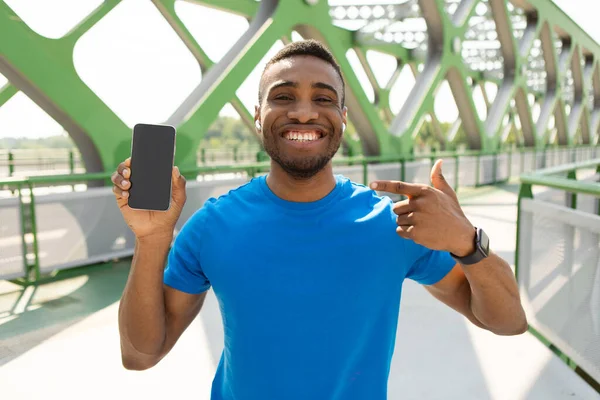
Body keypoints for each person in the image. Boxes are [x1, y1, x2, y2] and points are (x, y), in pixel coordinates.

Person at [113, 39, 527, 400]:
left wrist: (467, 242)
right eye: (284, 96)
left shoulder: (392, 224)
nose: (305, 113)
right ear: (258, 115)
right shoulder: (211, 226)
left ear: (343, 119)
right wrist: (152, 240)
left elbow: (509, 322)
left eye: (324, 98)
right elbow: (140, 355)